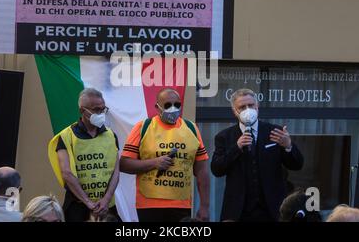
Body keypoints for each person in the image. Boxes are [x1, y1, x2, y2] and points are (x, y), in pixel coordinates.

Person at [211, 88, 304, 222]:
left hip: (272, 210)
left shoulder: (275, 132)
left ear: (257, 107)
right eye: (242, 107)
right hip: (239, 211)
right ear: (235, 112)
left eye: (251, 105)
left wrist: (288, 146)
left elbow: (297, 164)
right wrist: (236, 147)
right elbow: (217, 169)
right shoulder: (225, 137)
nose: (248, 109)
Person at [120, 88, 210, 222]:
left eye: (177, 105)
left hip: (181, 204)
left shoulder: (191, 128)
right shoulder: (143, 127)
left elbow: (202, 171)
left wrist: (204, 206)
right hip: (149, 205)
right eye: (168, 105)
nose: (173, 109)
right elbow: (124, 164)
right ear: (157, 107)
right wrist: (154, 163)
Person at [48, 88, 120, 222]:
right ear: (82, 111)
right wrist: (88, 203)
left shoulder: (111, 135)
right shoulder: (66, 136)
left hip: (107, 206)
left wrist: (106, 199)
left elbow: (115, 171)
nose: (101, 113)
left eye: (103, 109)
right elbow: (67, 173)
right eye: (96, 109)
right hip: (77, 206)